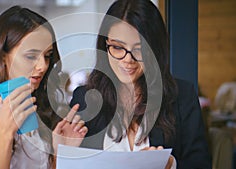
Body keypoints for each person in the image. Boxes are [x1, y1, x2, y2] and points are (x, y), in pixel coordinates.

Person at [70, 0, 211, 168]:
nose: (128, 59)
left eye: (139, 49)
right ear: (104, 45)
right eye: (117, 47)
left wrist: (170, 164)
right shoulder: (85, 99)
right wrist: (63, 151)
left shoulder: (182, 97)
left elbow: (200, 164)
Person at [0, 5, 87, 169]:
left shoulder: (38, 107)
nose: (42, 66)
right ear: (2, 56)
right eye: (31, 56)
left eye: (47, 56)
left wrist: (59, 155)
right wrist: (5, 132)